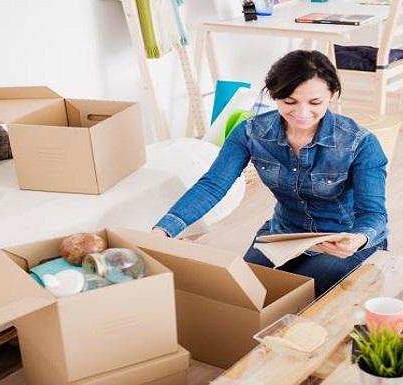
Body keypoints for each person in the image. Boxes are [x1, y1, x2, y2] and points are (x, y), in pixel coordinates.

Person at [152, 49, 389, 298]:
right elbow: (213, 185)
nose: (302, 112)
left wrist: (357, 239)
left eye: (315, 103)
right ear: (274, 95)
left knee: (302, 294)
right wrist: (166, 229)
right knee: (243, 295)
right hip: (284, 233)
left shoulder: (360, 143)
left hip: (342, 239)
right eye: (289, 102)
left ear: (333, 94)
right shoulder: (251, 132)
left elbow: (373, 214)